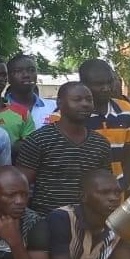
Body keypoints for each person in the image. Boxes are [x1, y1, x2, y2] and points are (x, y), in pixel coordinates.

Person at [13, 81, 112, 214]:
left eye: (89, 99)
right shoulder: (40, 140)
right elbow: (20, 186)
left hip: (87, 224)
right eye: (77, 99)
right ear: (59, 103)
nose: (85, 104)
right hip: (46, 222)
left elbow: (105, 186)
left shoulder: (101, 144)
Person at [77, 59, 130, 182]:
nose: (106, 88)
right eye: (99, 84)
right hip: (80, 192)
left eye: (109, 82)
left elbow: (128, 154)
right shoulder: (66, 115)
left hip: (116, 190)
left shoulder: (126, 110)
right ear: (83, 84)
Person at [1, 52, 55, 138]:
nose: (26, 75)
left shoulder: (54, 107)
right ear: (8, 78)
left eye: (31, 70)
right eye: (18, 71)